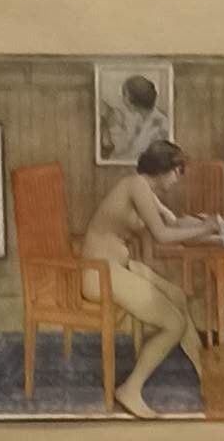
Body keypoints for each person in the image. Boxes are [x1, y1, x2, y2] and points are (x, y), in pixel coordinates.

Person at [82, 134, 206, 416]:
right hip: (99, 274)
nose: (177, 178)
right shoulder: (136, 186)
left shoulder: (143, 189)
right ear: (162, 170)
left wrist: (206, 223)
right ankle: (130, 389)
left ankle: (205, 375)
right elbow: (162, 235)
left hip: (117, 268)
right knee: (173, 324)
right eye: (176, 172)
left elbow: (172, 221)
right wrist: (205, 230)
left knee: (176, 296)